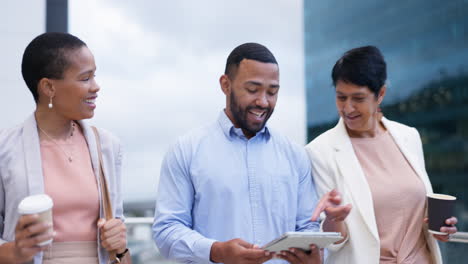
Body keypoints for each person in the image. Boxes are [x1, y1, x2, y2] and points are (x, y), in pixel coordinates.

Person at [152, 43, 350, 264]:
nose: (263, 101)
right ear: (225, 85)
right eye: (253, 90)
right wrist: (216, 251)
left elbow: (307, 225)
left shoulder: (295, 155)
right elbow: (166, 230)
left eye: (272, 92)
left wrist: (315, 251)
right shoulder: (186, 151)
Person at [305, 46, 458, 264]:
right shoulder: (320, 151)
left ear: (381, 94)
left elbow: (417, 214)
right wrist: (333, 220)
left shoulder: (409, 137)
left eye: (358, 98)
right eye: (341, 97)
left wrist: (441, 228)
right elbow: (333, 242)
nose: (348, 108)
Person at [0, 32, 128, 264]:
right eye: (85, 78)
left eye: (94, 76)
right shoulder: (5, 149)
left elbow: (119, 247)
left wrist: (119, 243)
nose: (96, 87)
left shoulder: (108, 146)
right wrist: (16, 252)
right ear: (48, 87)